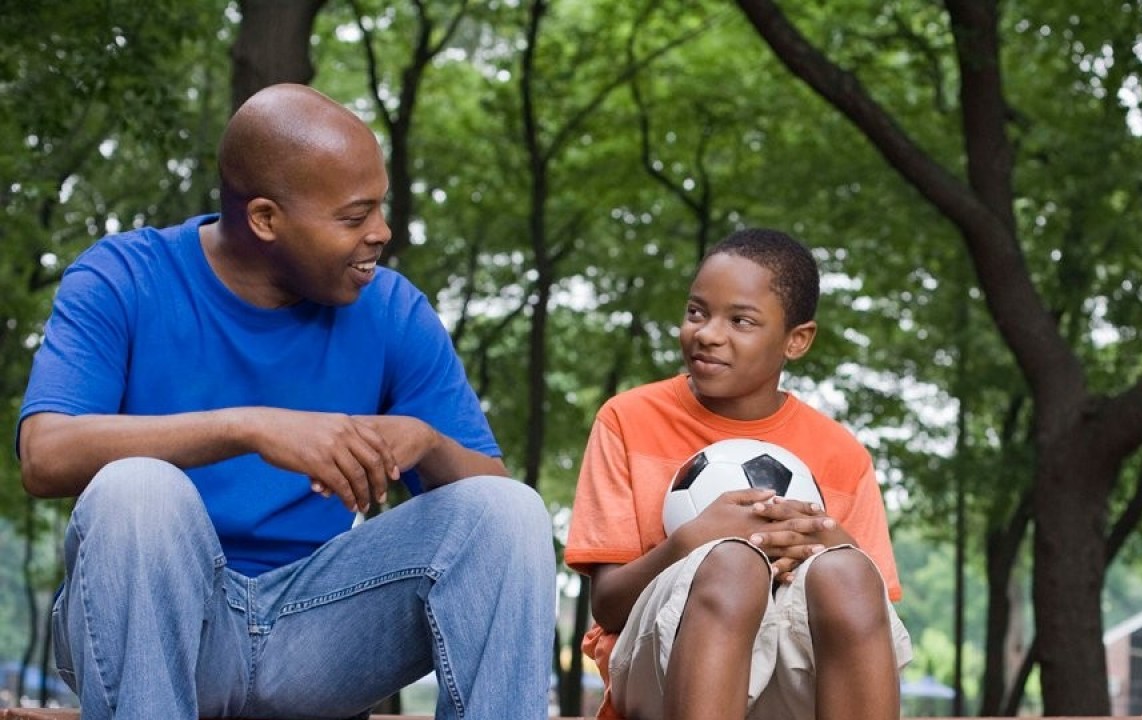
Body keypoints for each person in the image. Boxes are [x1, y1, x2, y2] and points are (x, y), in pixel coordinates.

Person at [16, 83, 556, 720]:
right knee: (137, 491)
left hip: (319, 633)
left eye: (380, 209)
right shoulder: (124, 277)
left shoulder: (391, 308)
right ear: (266, 219)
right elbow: (44, 454)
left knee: (510, 510)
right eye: (354, 217)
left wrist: (429, 441)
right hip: (159, 636)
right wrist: (248, 427)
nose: (381, 233)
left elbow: (493, 516)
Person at [565, 228, 913, 720]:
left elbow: (867, 622)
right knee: (730, 564)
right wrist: (693, 542)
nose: (707, 332)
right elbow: (608, 607)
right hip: (657, 676)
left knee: (849, 571)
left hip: (795, 685)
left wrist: (828, 542)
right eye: (696, 312)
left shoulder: (842, 455)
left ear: (797, 340)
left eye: (741, 320)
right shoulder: (628, 420)